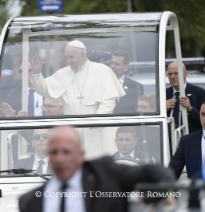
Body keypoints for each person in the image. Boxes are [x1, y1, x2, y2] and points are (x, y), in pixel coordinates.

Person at [19, 126, 175, 212]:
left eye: (66, 152)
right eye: (54, 152)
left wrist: (157, 194)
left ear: (80, 155)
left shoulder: (106, 173)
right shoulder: (29, 202)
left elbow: (155, 172)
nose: (60, 159)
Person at [30, 40, 125, 115]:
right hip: (73, 131)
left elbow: (108, 102)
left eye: (71, 57)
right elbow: (45, 90)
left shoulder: (102, 70)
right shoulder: (63, 73)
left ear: (83, 55)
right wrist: (37, 73)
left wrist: (97, 120)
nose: (68, 61)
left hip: (96, 131)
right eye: (66, 57)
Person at [166, 61, 205, 133]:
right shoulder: (164, 94)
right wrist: (163, 109)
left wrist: (190, 109)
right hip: (168, 140)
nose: (172, 77)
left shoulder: (200, 93)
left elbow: (203, 120)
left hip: (190, 140)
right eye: (170, 74)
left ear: (185, 74)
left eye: (176, 73)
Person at [169, 102, 205, 179]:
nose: (204, 118)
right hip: (198, 190)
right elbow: (172, 173)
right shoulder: (187, 142)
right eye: (203, 114)